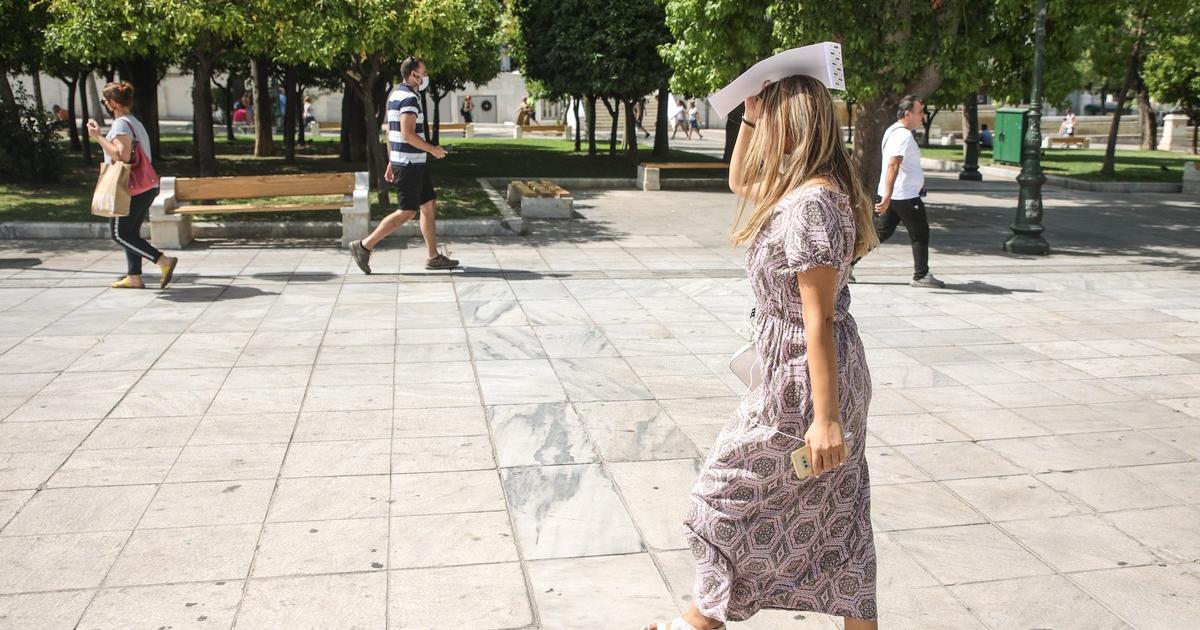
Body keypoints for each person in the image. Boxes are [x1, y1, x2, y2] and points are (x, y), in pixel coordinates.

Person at [648, 74, 880, 630]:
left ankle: (698, 623)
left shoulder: (811, 204)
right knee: (838, 516)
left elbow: (818, 319)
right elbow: (739, 178)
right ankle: (697, 622)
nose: (760, 127)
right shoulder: (809, 188)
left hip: (803, 386)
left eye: (767, 115)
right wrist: (749, 115)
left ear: (790, 123)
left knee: (720, 499)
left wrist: (826, 419)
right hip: (805, 373)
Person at [349, 57, 458, 272]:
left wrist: (392, 160)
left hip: (410, 162)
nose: (426, 77)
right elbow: (408, 134)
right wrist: (433, 150)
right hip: (410, 164)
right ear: (413, 74)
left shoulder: (395, 94)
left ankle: (433, 257)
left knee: (428, 204)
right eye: (423, 73)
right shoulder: (409, 98)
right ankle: (363, 246)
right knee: (407, 212)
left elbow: (391, 132)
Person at [86, 81, 178, 290]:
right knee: (130, 233)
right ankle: (134, 276)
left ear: (113, 103)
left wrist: (98, 136)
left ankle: (163, 261)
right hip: (145, 187)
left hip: (130, 188)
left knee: (119, 234)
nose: (105, 105)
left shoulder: (120, 125)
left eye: (105, 101)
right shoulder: (134, 122)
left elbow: (123, 156)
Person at [874, 95, 944, 288]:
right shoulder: (903, 135)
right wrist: (887, 196)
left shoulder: (893, 130)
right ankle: (921, 275)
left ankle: (847, 265)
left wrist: (887, 194)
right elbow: (893, 164)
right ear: (908, 114)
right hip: (903, 195)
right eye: (920, 112)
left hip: (897, 193)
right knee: (920, 232)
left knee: (881, 232)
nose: (923, 116)